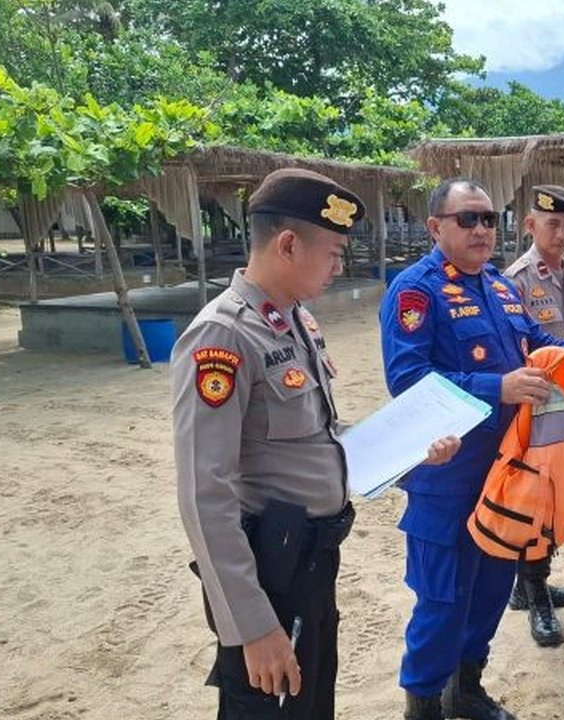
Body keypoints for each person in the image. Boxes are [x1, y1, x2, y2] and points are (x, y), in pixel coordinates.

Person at [174, 168, 461, 720]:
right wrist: (254, 626)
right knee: (268, 707)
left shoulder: (294, 321)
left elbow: (318, 441)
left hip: (310, 559)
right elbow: (202, 494)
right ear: (287, 244)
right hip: (267, 571)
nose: (338, 266)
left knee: (309, 702)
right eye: (332, 252)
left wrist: (410, 452)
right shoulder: (224, 335)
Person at [380, 178, 564, 720]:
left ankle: (466, 691)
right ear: (435, 228)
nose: (480, 229)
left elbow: (537, 345)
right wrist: (495, 387)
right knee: (443, 598)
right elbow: (408, 379)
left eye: (488, 219)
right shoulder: (414, 291)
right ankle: (422, 706)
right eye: (466, 219)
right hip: (448, 476)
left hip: (510, 469)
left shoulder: (498, 286)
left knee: (493, 585)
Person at [500, 184, 564, 648]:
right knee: (535, 502)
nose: (562, 234)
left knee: (557, 500)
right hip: (533, 410)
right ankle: (536, 596)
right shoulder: (514, 280)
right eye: (552, 224)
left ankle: (528, 583)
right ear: (530, 225)